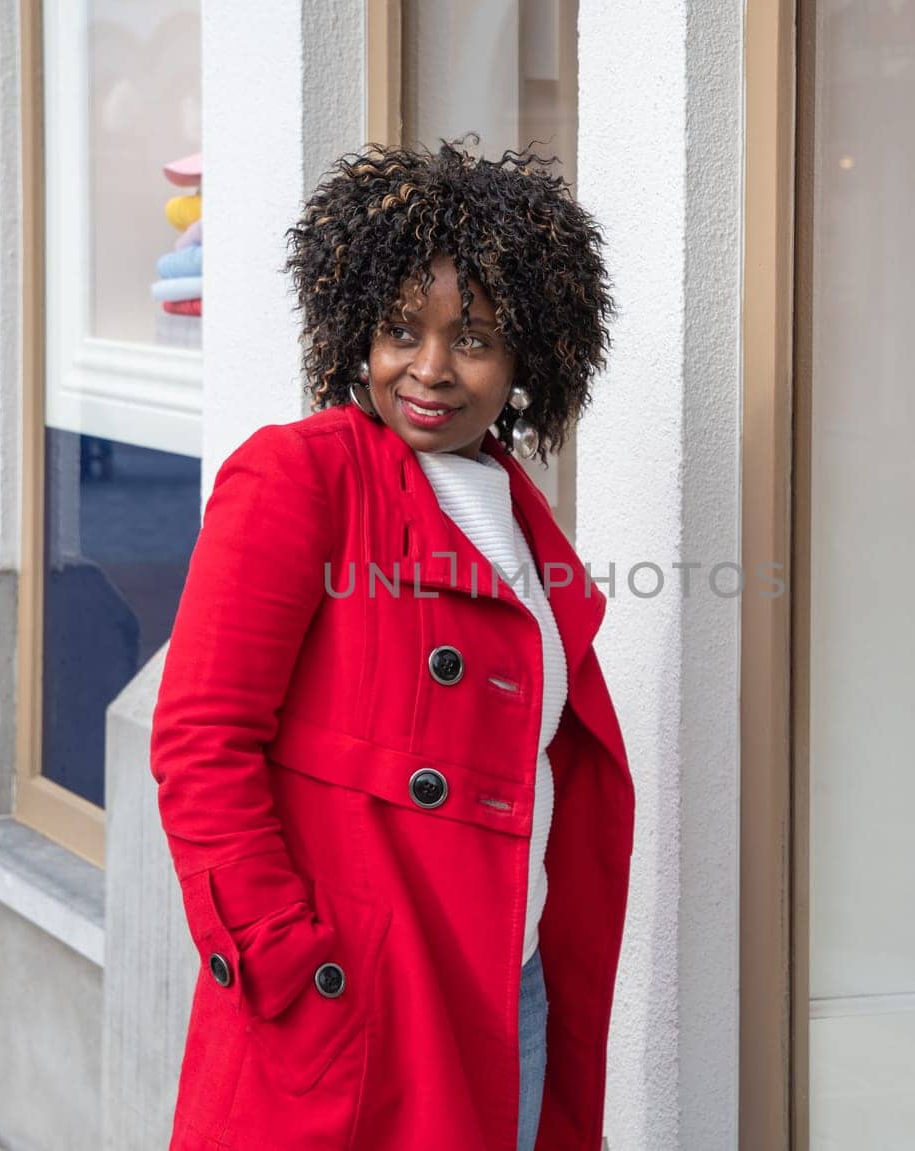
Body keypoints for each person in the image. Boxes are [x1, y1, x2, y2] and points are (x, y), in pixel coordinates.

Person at [149, 134, 635, 1151]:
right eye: (399, 329)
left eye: (474, 338)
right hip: (361, 997)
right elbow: (201, 738)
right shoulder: (300, 478)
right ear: (353, 332)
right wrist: (287, 962)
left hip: (510, 983)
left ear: (529, 356)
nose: (428, 368)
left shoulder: (515, 509)